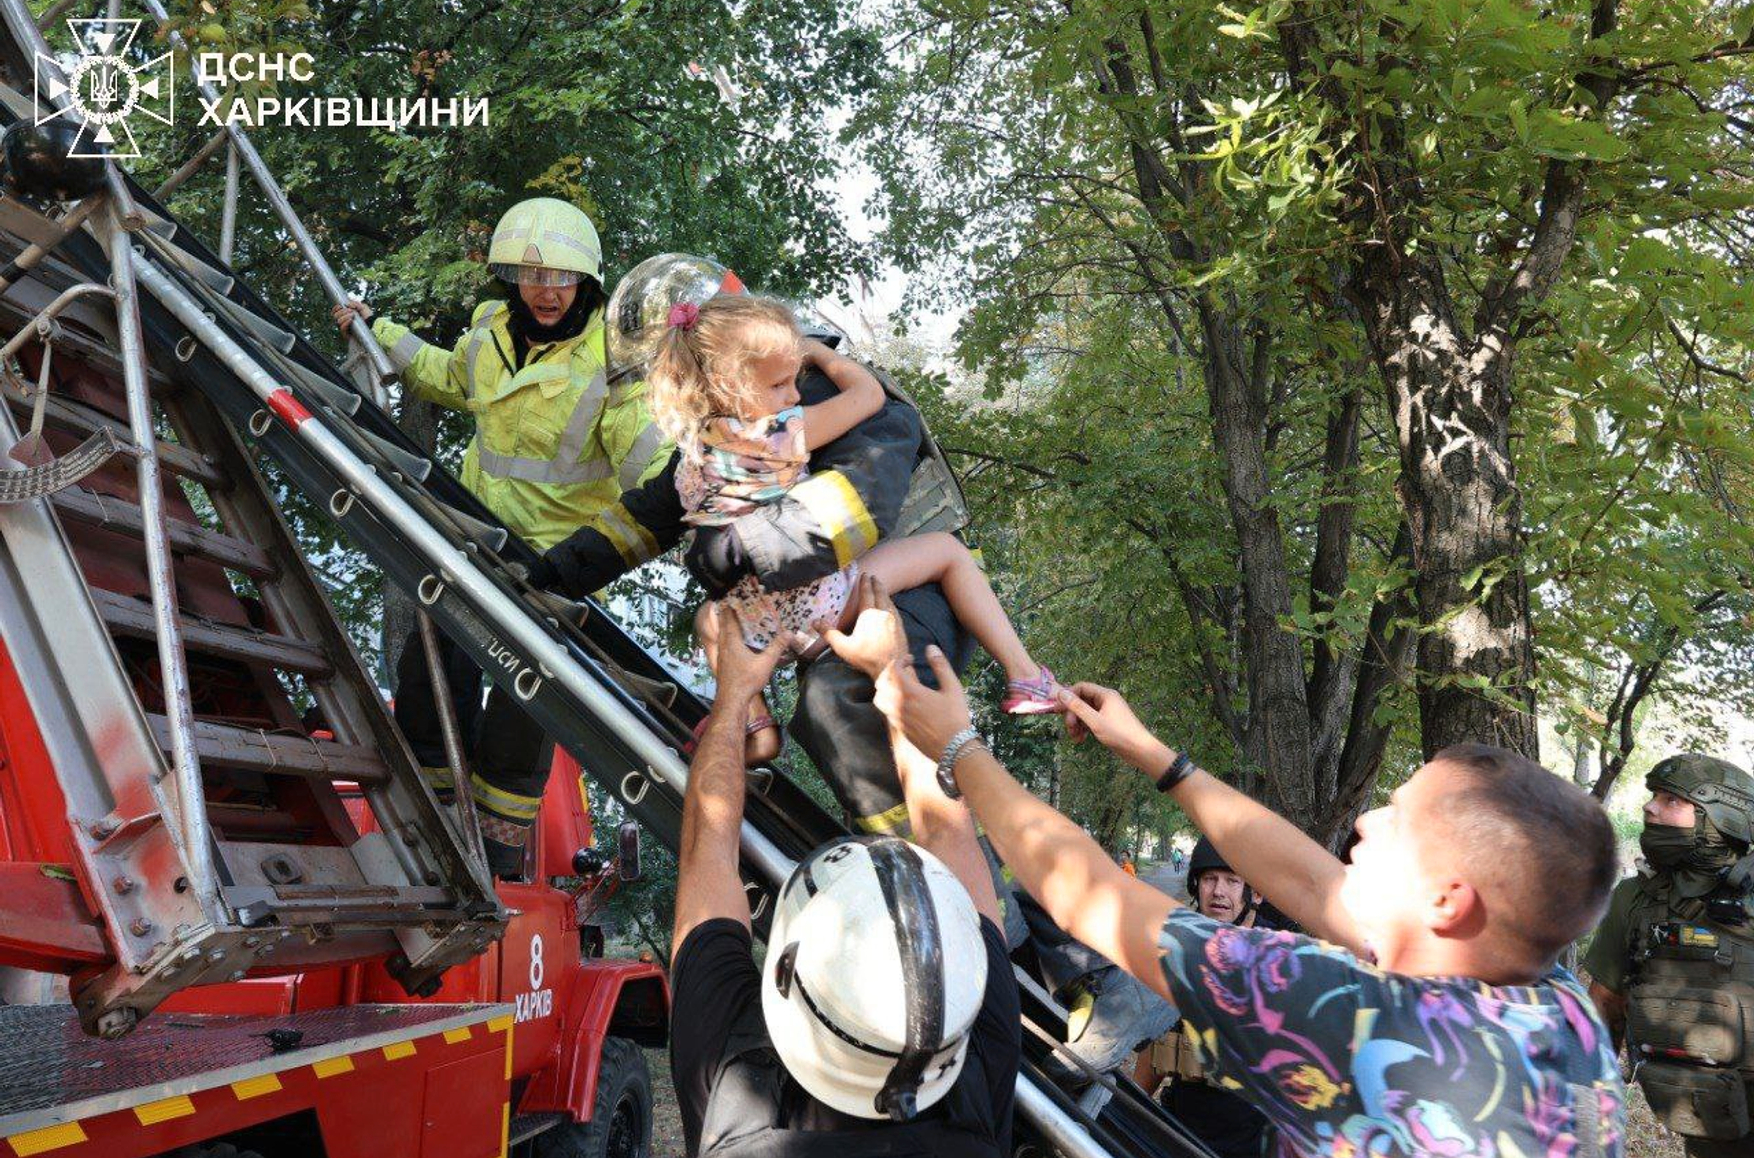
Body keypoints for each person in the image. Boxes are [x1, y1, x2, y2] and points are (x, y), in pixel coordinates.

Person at [821, 581, 1628, 1158]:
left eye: (1399, 821)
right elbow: (1312, 885)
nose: (1367, 822)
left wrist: (956, 745)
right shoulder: (1556, 1006)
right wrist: (1157, 758)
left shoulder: (1356, 1017)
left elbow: (1091, 895)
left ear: (1448, 900)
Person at [333, 197, 672, 876]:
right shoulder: (488, 332)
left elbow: (647, 454)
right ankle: (426, 826)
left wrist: (690, 481)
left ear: (586, 281)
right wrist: (377, 331)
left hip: (552, 572)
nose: (547, 290)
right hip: (472, 544)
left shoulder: (611, 363)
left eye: (562, 277)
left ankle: (495, 860)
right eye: (531, 275)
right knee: (427, 686)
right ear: (510, 279)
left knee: (524, 720)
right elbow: (444, 375)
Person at [667, 594, 1019, 1156]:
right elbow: (949, 837)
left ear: (788, 969)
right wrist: (894, 673)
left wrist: (734, 694)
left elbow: (706, 846)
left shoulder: (731, 1085)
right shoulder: (976, 1053)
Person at [647, 293, 1063, 760]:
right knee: (949, 552)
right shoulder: (777, 435)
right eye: (780, 384)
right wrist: (818, 353)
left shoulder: (693, 455)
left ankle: (756, 723)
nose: (794, 395)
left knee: (708, 618)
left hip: (757, 627)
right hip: (823, 605)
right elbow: (868, 396)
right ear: (731, 388)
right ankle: (1026, 675)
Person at [1583, 754, 1754, 1158]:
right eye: (1654, 796)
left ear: (1720, 816)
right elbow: (1604, 1007)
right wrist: (1589, 1120)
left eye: (1671, 799)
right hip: (1711, 1120)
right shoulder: (1635, 897)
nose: (1649, 807)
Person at [1133, 838, 1277, 1158]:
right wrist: (1127, 1106)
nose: (1218, 891)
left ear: (1255, 893)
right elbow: (1160, 1047)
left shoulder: (1281, 963)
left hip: (1255, 1144)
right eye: (1209, 879)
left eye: (1232, 881)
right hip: (1182, 1133)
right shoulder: (1181, 951)